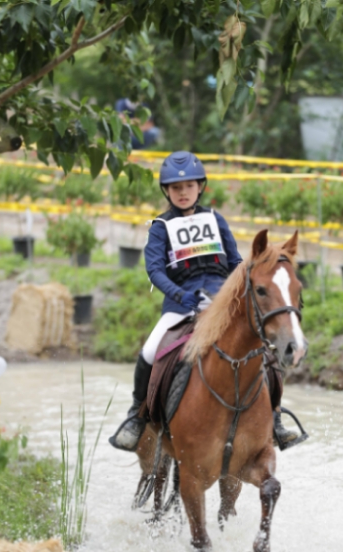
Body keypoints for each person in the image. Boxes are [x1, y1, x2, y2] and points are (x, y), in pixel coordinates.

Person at [109, 151, 305, 452]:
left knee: (263, 350)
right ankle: (137, 415)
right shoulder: (160, 226)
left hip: (222, 301)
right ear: (167, 191)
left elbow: (237, 262)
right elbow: (154, 270)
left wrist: (232, 295)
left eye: (188, 186)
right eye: (176, 188)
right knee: (149, 351)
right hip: (181, 303)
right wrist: (180, 295)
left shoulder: (215, 219)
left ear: (200, 187)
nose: (183, 193)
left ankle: (275, 419)